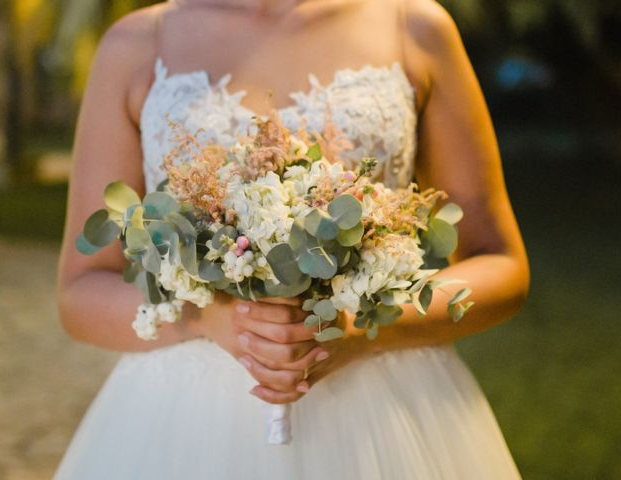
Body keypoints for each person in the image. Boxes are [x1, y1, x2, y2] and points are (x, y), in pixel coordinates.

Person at [54, 0, 530, 477]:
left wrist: (364, 329)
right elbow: (82, 290)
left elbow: (502, 264)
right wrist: (205, 318)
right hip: (187, 420)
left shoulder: (414, 26)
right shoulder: (137, 43)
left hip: (383, 415)